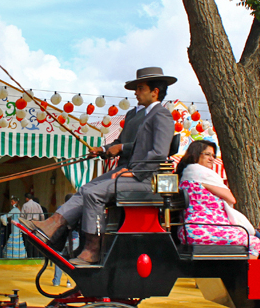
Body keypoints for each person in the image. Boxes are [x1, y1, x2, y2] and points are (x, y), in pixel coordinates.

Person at [28, 67, 176, 265]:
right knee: (87, 188)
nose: (135, 92)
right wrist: (105, 149)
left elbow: (159, 153)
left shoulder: (162, 115)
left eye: (140, 88)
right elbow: (123, 143)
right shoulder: (141, 114)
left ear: (154, 92)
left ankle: (93, 250)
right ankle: (53, 224)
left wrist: (134, 173)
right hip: (133, 174)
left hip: (146, 179)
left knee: (93, 193)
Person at [177, 140, 260, 257]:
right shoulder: (201, 174)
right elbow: (231, 199)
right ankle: (246, 274)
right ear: (195, 154)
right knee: (255, 243)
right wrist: (207, 185)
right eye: (207, 154)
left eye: (213, 155)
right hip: (205, 229)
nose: (212, 159)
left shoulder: (184, 176)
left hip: (188, 229)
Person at [21, 193, 45, 259]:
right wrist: (41, 223)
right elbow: (42, 215)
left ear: (26, 198)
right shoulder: (37, 205)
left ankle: (29, 257)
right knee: (36, 241)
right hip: (36, 224)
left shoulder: (25, 205)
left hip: (28, 224)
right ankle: (36, 256)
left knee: (28, 242)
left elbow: (22, 216)